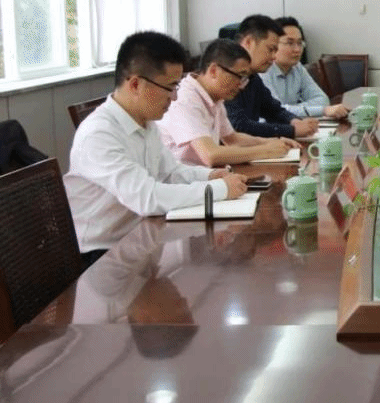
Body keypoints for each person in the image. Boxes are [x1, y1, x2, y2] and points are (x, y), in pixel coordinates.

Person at [64, 32, 248, 256]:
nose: (174, 97)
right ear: (135, 84)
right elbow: (147, 198)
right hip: (103, 254)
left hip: (143, 237)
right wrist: (219, 189)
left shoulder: (146, 123)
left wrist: (210, 176)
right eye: (170, 88)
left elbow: (170, 173)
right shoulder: (99, 134)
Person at [159, 39, 300, 166]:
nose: (241, 85)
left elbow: (232, 138)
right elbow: (211, 155)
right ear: (214, 70)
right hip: (182, 181)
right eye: (240, 76)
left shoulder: (215, 96)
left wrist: (272, 142)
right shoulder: (185, 99)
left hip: (204, 175)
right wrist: (266, 151)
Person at [225, 14, 319, 139]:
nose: (274, 57)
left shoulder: (252, 77)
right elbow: (239, 126)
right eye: (270, 49)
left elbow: (274, 110)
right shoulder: (226, 74)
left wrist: (295, 121)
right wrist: (292, 130)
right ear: (249, 42)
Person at [261, 16, 349, 119]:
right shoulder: (262, 71)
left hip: (291, 124)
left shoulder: (297, 67)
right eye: (290, 43)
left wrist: (294, 109)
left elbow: (323, 100)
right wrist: (320, 110)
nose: (297, 49)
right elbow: (274, 111)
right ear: (273, 45)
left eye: (299, 43)